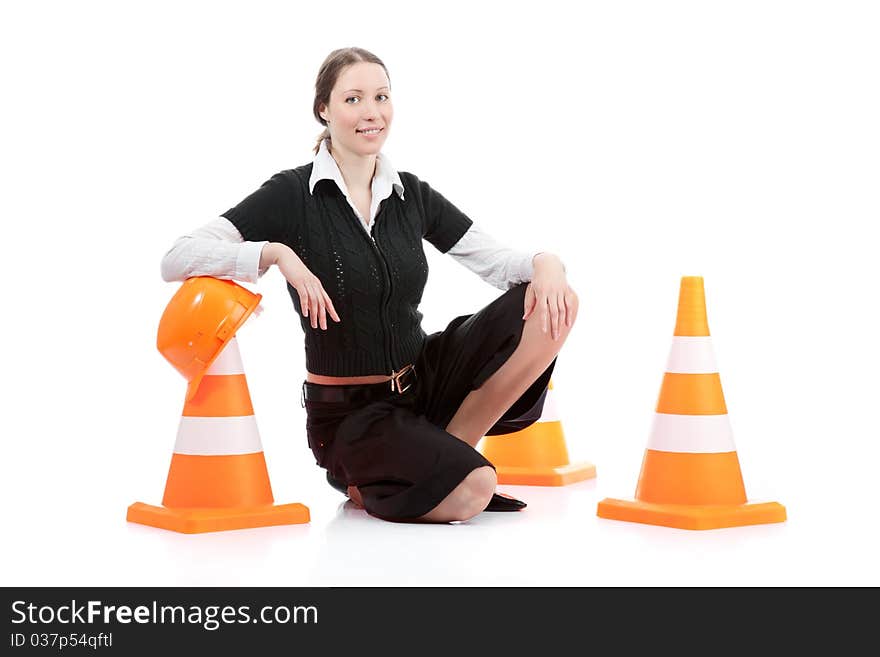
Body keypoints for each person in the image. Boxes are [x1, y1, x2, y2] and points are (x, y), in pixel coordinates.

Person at [161, 47, 578, 524]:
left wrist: (548, 262)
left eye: (381, 97)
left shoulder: (410, 193)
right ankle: (408, 476)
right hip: (353, 417)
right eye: (353, 99)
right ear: (324, 109)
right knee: (475, 491)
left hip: (422, 384)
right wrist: (274, 254)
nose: (371, 113)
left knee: (552, 302)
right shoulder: (292, 195)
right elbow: (177, 256)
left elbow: (497, 261)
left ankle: (450, 451)